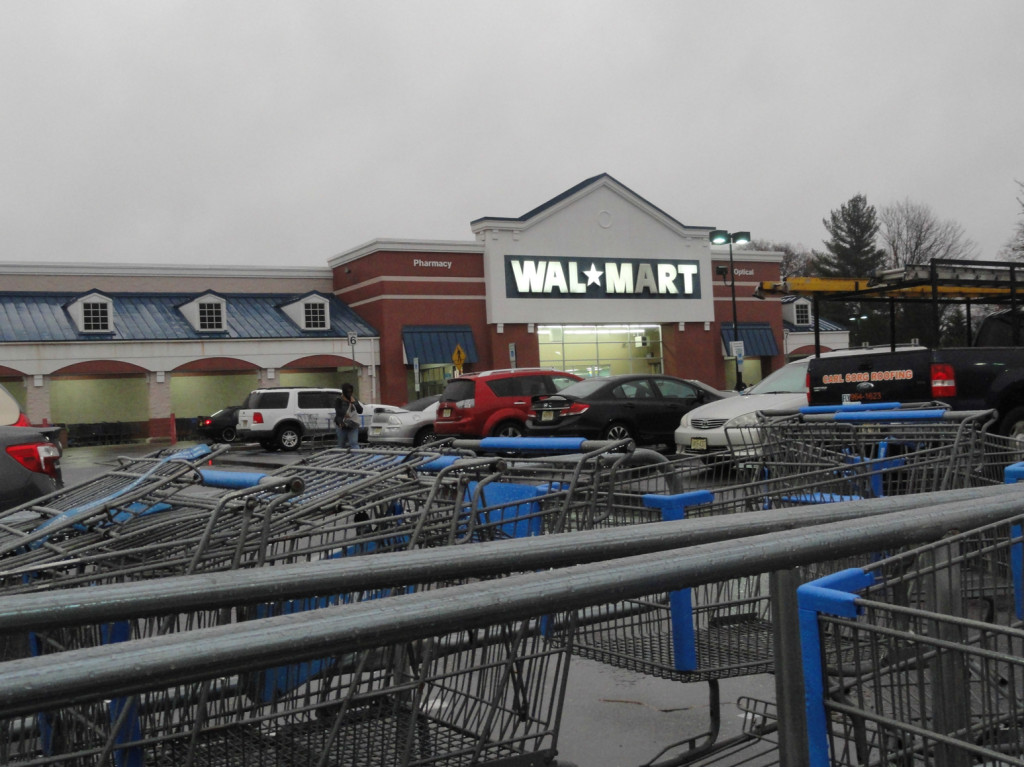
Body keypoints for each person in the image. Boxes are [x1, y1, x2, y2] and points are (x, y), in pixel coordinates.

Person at [334, 383, 363, 448]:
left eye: (351, 391)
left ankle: (357, 457)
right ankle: (341, 457)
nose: (349, 393)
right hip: (342, 424)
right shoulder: (339, 400)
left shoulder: (353, 399)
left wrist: (354, 403)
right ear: (344, 392)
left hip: (352, 424)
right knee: (341, 444)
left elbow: (360, 410)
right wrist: (345, 414)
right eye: (347, 392)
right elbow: (338, 411)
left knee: (354, 443)